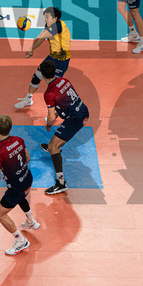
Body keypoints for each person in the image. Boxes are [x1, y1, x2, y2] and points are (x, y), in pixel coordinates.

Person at [0, 115, 38, 255]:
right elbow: (27, 158)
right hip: (28, 178)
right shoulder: (19, 140)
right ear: (10, 127)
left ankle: (21, 241)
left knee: (0, 214)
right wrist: (14, 171)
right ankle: (31, 221)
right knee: (22, 197)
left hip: (16, 188)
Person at [39, 60, 89, 195]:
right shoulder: (64, 80)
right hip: (83, 110)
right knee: (54, 143)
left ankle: (61, 184)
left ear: (42, 75)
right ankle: (55, 147)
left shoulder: (49, 93)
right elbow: (65, 103)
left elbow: (51, 118)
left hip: (75, 119)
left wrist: (48, 125)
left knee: (52, 147)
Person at [15, 6, 71, 109]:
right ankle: (28, 99)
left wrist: (31, 47)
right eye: (45, 17)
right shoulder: (50, 25)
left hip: (61, 61)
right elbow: (42, 38)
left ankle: (56, 109)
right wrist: (32, 48)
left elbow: (41, 36)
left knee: (55, 86)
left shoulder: (58, 26)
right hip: (52, 57)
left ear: (55, 18)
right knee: (37, 75)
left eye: (48, 17)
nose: (45, 20)